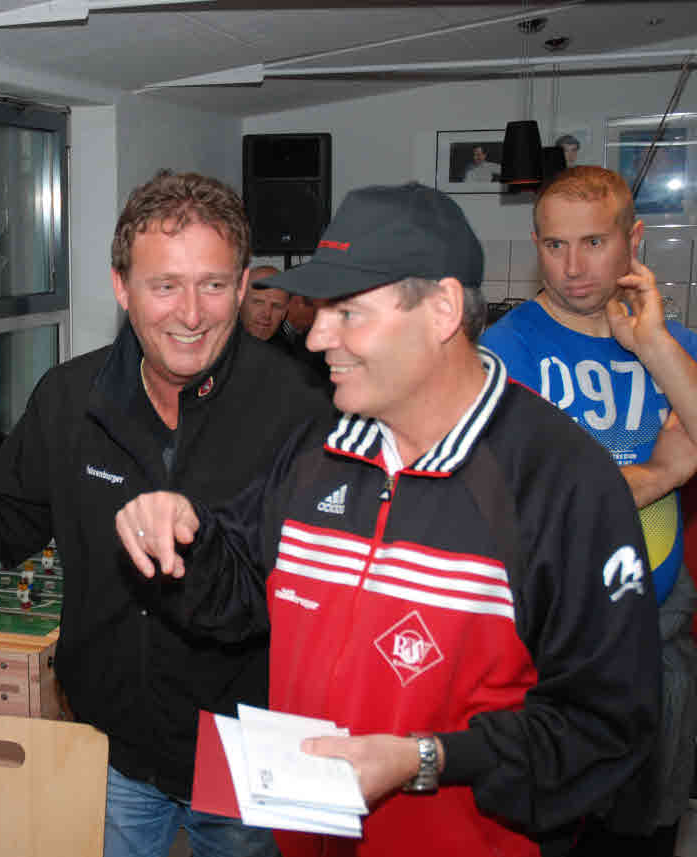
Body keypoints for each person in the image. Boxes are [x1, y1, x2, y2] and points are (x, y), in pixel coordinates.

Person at [115, 182, 661, 857]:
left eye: (347, 312)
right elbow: (239, 595)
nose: (317, 336)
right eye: (321, 312)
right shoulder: (318, 451)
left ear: (442, 310)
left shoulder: (561, 481)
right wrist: (182, 537)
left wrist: (426, 758)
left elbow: (606, 726)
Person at [0, 170, 328, 857]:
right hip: (112, 749)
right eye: (164, 285)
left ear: (240, 286)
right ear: (122, 287)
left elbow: (293, 599)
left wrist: (195, 543)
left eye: (213, 284)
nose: (191, 313)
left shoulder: (298, 411)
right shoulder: (71, 399)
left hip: (245, 755)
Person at [480, 165, 697, 854]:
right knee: (540, 832)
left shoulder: (673, 344)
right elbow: (528, 499)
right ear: (536, 245)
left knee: (640, 834)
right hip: (543, 639)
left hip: (654, 632)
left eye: (594, 243)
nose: (572, 267)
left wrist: (655, 347)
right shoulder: (504, 350)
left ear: (634, 239)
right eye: (555, 245)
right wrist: (662, 469)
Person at [239, 266, 291, 342]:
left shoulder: (286, 347)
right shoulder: (221, 343)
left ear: (284, 313)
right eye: (258, 302)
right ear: (239, 301)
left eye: (276, 306)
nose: (267, 314)